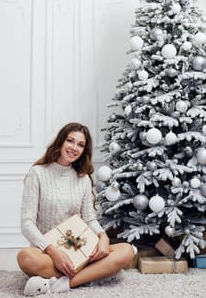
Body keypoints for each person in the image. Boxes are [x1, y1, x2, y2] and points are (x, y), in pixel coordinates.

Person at [17, 122, 136, 295]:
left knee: (126, 250)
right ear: (60, 142)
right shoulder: (38, 174)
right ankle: (97, 275)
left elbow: (89, 218)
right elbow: (27, 223)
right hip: (47, 253)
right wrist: (52, 251)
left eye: (80, 145)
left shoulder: (83, 179)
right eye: (70, 141)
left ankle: (63, 283)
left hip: (79, 249)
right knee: (25, 258)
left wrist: (103, 237)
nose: (74, 148)